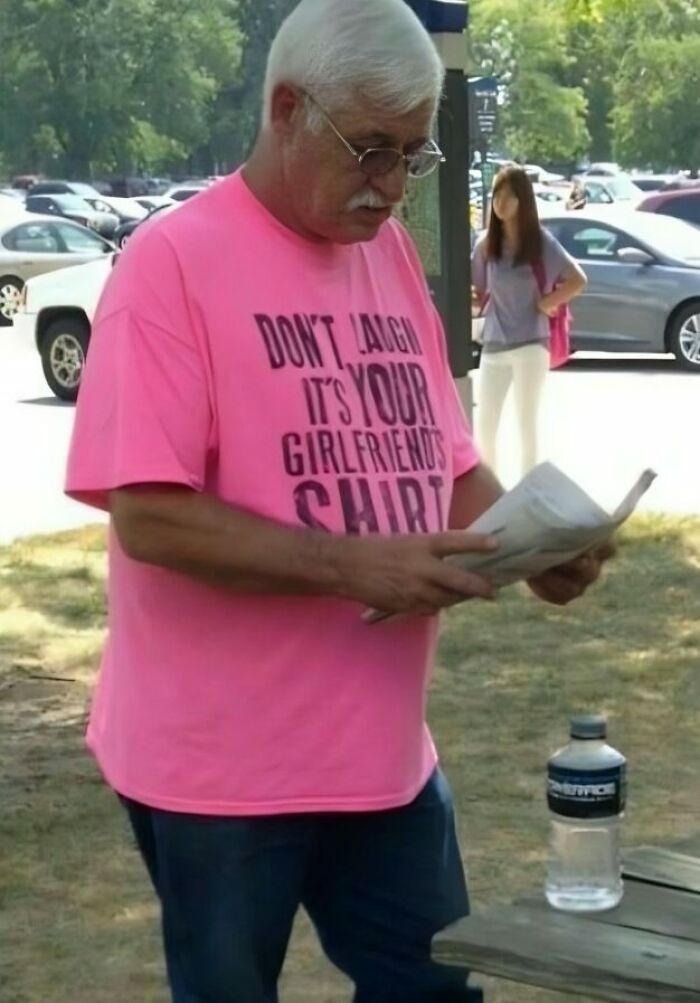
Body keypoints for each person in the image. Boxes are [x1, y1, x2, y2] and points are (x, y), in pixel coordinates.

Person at [66, 3, 610, 1001]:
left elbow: (442, 457)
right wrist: (356, 563)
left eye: (414, 156)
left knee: (436, 988)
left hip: (385, 754)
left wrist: (527, 541)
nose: (393, 187)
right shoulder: (171, 263)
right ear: (284, 109)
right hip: (219, 771)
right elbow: (148, 511)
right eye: (370, 152)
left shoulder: (388, 255)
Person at [472, 165, 587, 479]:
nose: (500, 203)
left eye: (508, 196)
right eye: (497, 194)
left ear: (523, 200)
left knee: (526, 423)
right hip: (494, 343)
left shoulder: (541, 243)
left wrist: (546, 302)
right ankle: (491, 492)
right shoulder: (485, 245)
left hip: (531, 345)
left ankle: (528, 490)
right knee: (485, 424)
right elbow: (477, 291)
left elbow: (577, 279)